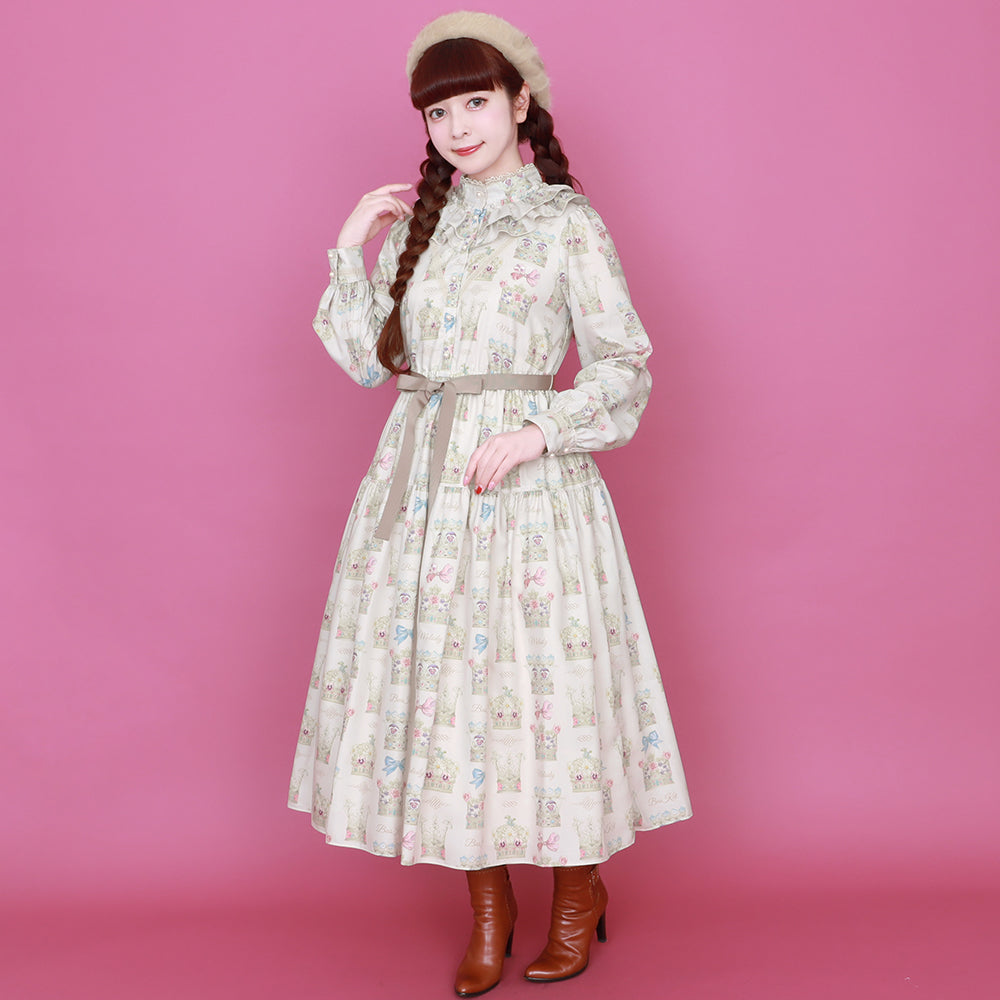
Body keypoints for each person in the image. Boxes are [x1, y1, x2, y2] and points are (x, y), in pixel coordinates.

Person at [288, 11, 692, 995]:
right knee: (447, 694)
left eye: (475, 101)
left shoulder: (565, 221)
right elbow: (365, 363)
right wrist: (348, 248)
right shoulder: (421, 227)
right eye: (438, 111)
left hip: (528, 487)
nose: (458, 125)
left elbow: (624, 363)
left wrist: (539, 430)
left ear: (519, 103)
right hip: (421, 491)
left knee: (546, 691)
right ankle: (487, 909)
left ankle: (576, 894)